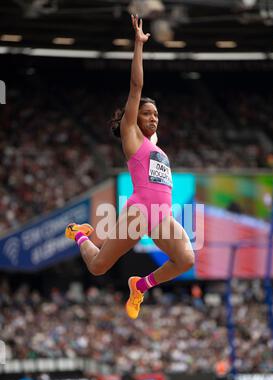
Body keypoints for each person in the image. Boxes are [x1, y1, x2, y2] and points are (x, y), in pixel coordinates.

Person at [65, 14, 194, 319]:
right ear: (134, 118)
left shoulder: (155, 143)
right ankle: (81, 234)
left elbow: (155, 127)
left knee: (186, 260)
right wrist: (138, 45)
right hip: (138, 215)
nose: (153, 118)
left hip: (161, 218)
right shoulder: (132, 136)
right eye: (148, 114)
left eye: (157, 115)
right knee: (98, 267)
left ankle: (141, 285)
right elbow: (136, 86)